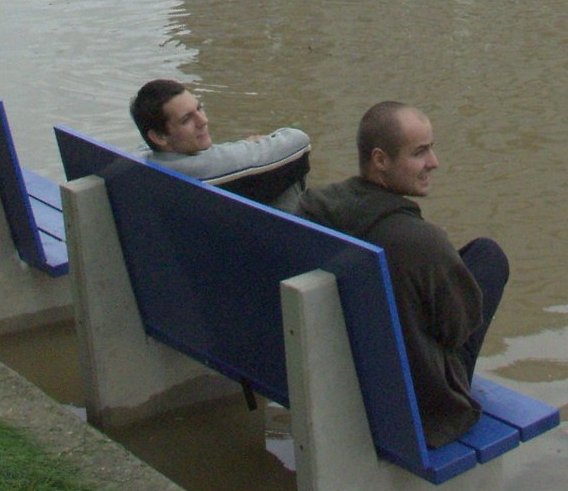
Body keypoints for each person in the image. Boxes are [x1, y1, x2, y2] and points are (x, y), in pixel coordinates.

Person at [299, 100, 509, 449]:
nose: (434, 163)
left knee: (467, 262)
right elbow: (456, 331)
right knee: (489, 257)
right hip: (416, 402)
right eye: (420, 152)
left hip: (342, 372)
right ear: (380, 160)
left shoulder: (315, 209)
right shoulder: (420, 243)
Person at [129, 78, 310, 211]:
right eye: (186, 120)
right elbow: (298, 142)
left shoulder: (140, 164)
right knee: (285, 176)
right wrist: (252, 144)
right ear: (159, 137)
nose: (203, 121)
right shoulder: (201, 171)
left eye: (199, 108)